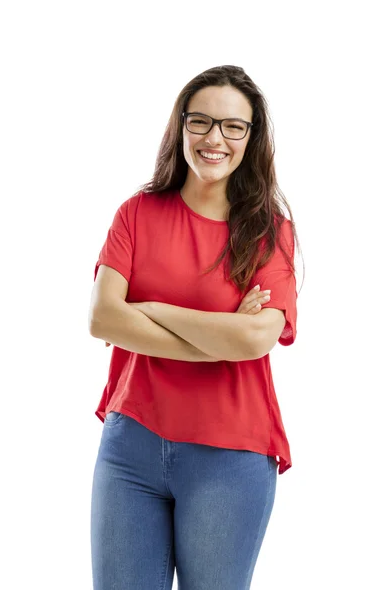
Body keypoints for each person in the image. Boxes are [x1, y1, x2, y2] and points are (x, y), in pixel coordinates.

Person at [89, 64, 304, 590]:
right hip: (130, 447)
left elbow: (255, 338)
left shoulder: (269, 232)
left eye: (234, 127)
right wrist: (217, 338)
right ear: (180, 126)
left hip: (230, 454)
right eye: (201, 121)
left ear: (251, 140)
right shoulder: (136, 214)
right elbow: (103, 318)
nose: (215, 138)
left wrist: (151, 309)